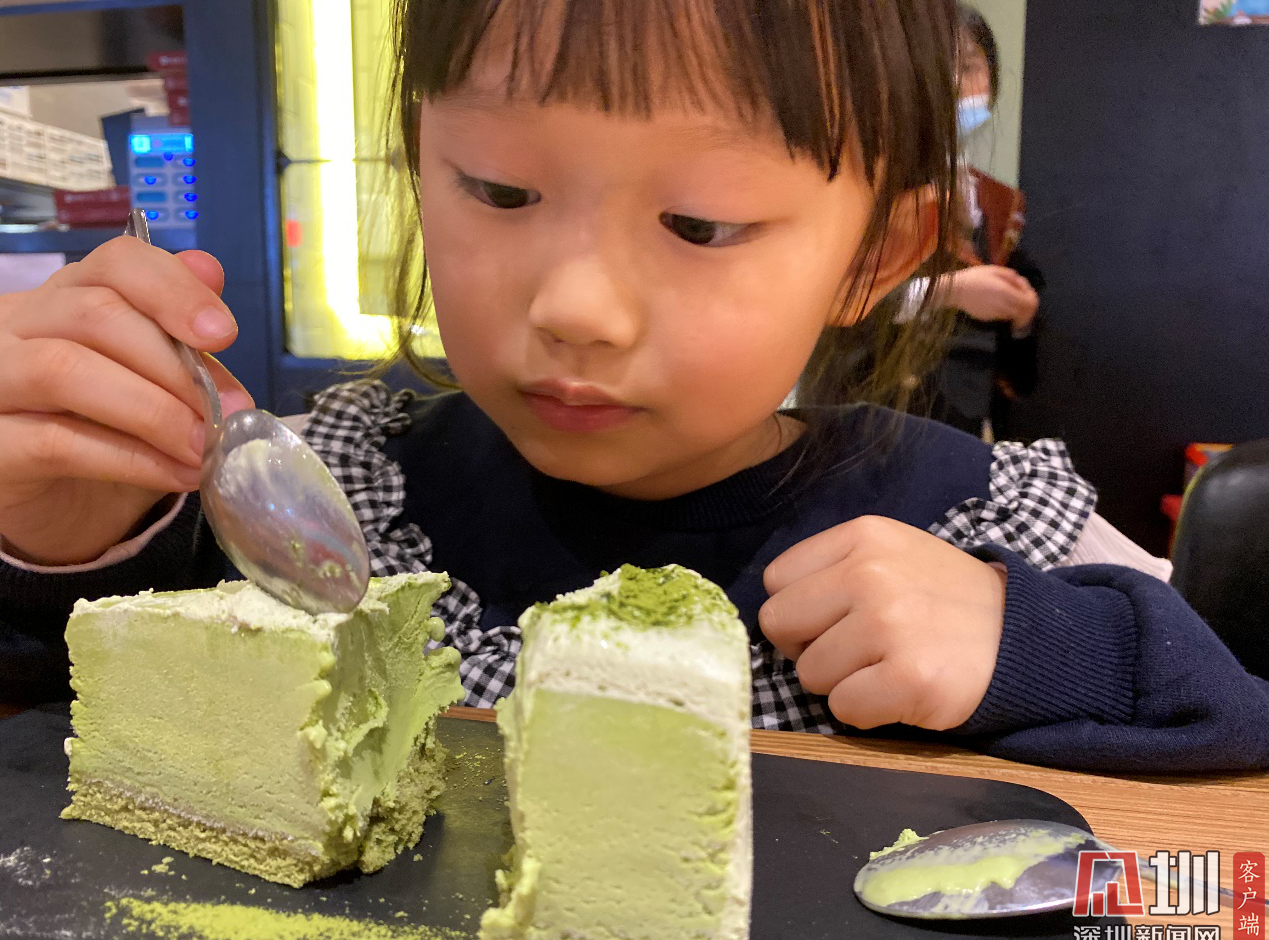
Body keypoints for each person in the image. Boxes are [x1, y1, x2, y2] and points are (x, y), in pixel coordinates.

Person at [0, 0, 1264, 774]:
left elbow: (1234, 725)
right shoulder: (334, 490)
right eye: (500, 190)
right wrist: (61, 537)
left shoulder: (977, 521)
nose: (575, 307)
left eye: (699, 222)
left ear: (874, 259)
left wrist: (1029, 646)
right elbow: (87, 722)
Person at [903, 3, 1044, 439]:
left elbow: (1015, 368)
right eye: (935, 68)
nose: (952, 84)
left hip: (968, 423)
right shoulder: (869, 187)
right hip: (884, 419)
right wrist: (950, 290)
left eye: (968, 68)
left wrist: (1021, 317)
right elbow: (834, 302)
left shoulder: (996, 200)